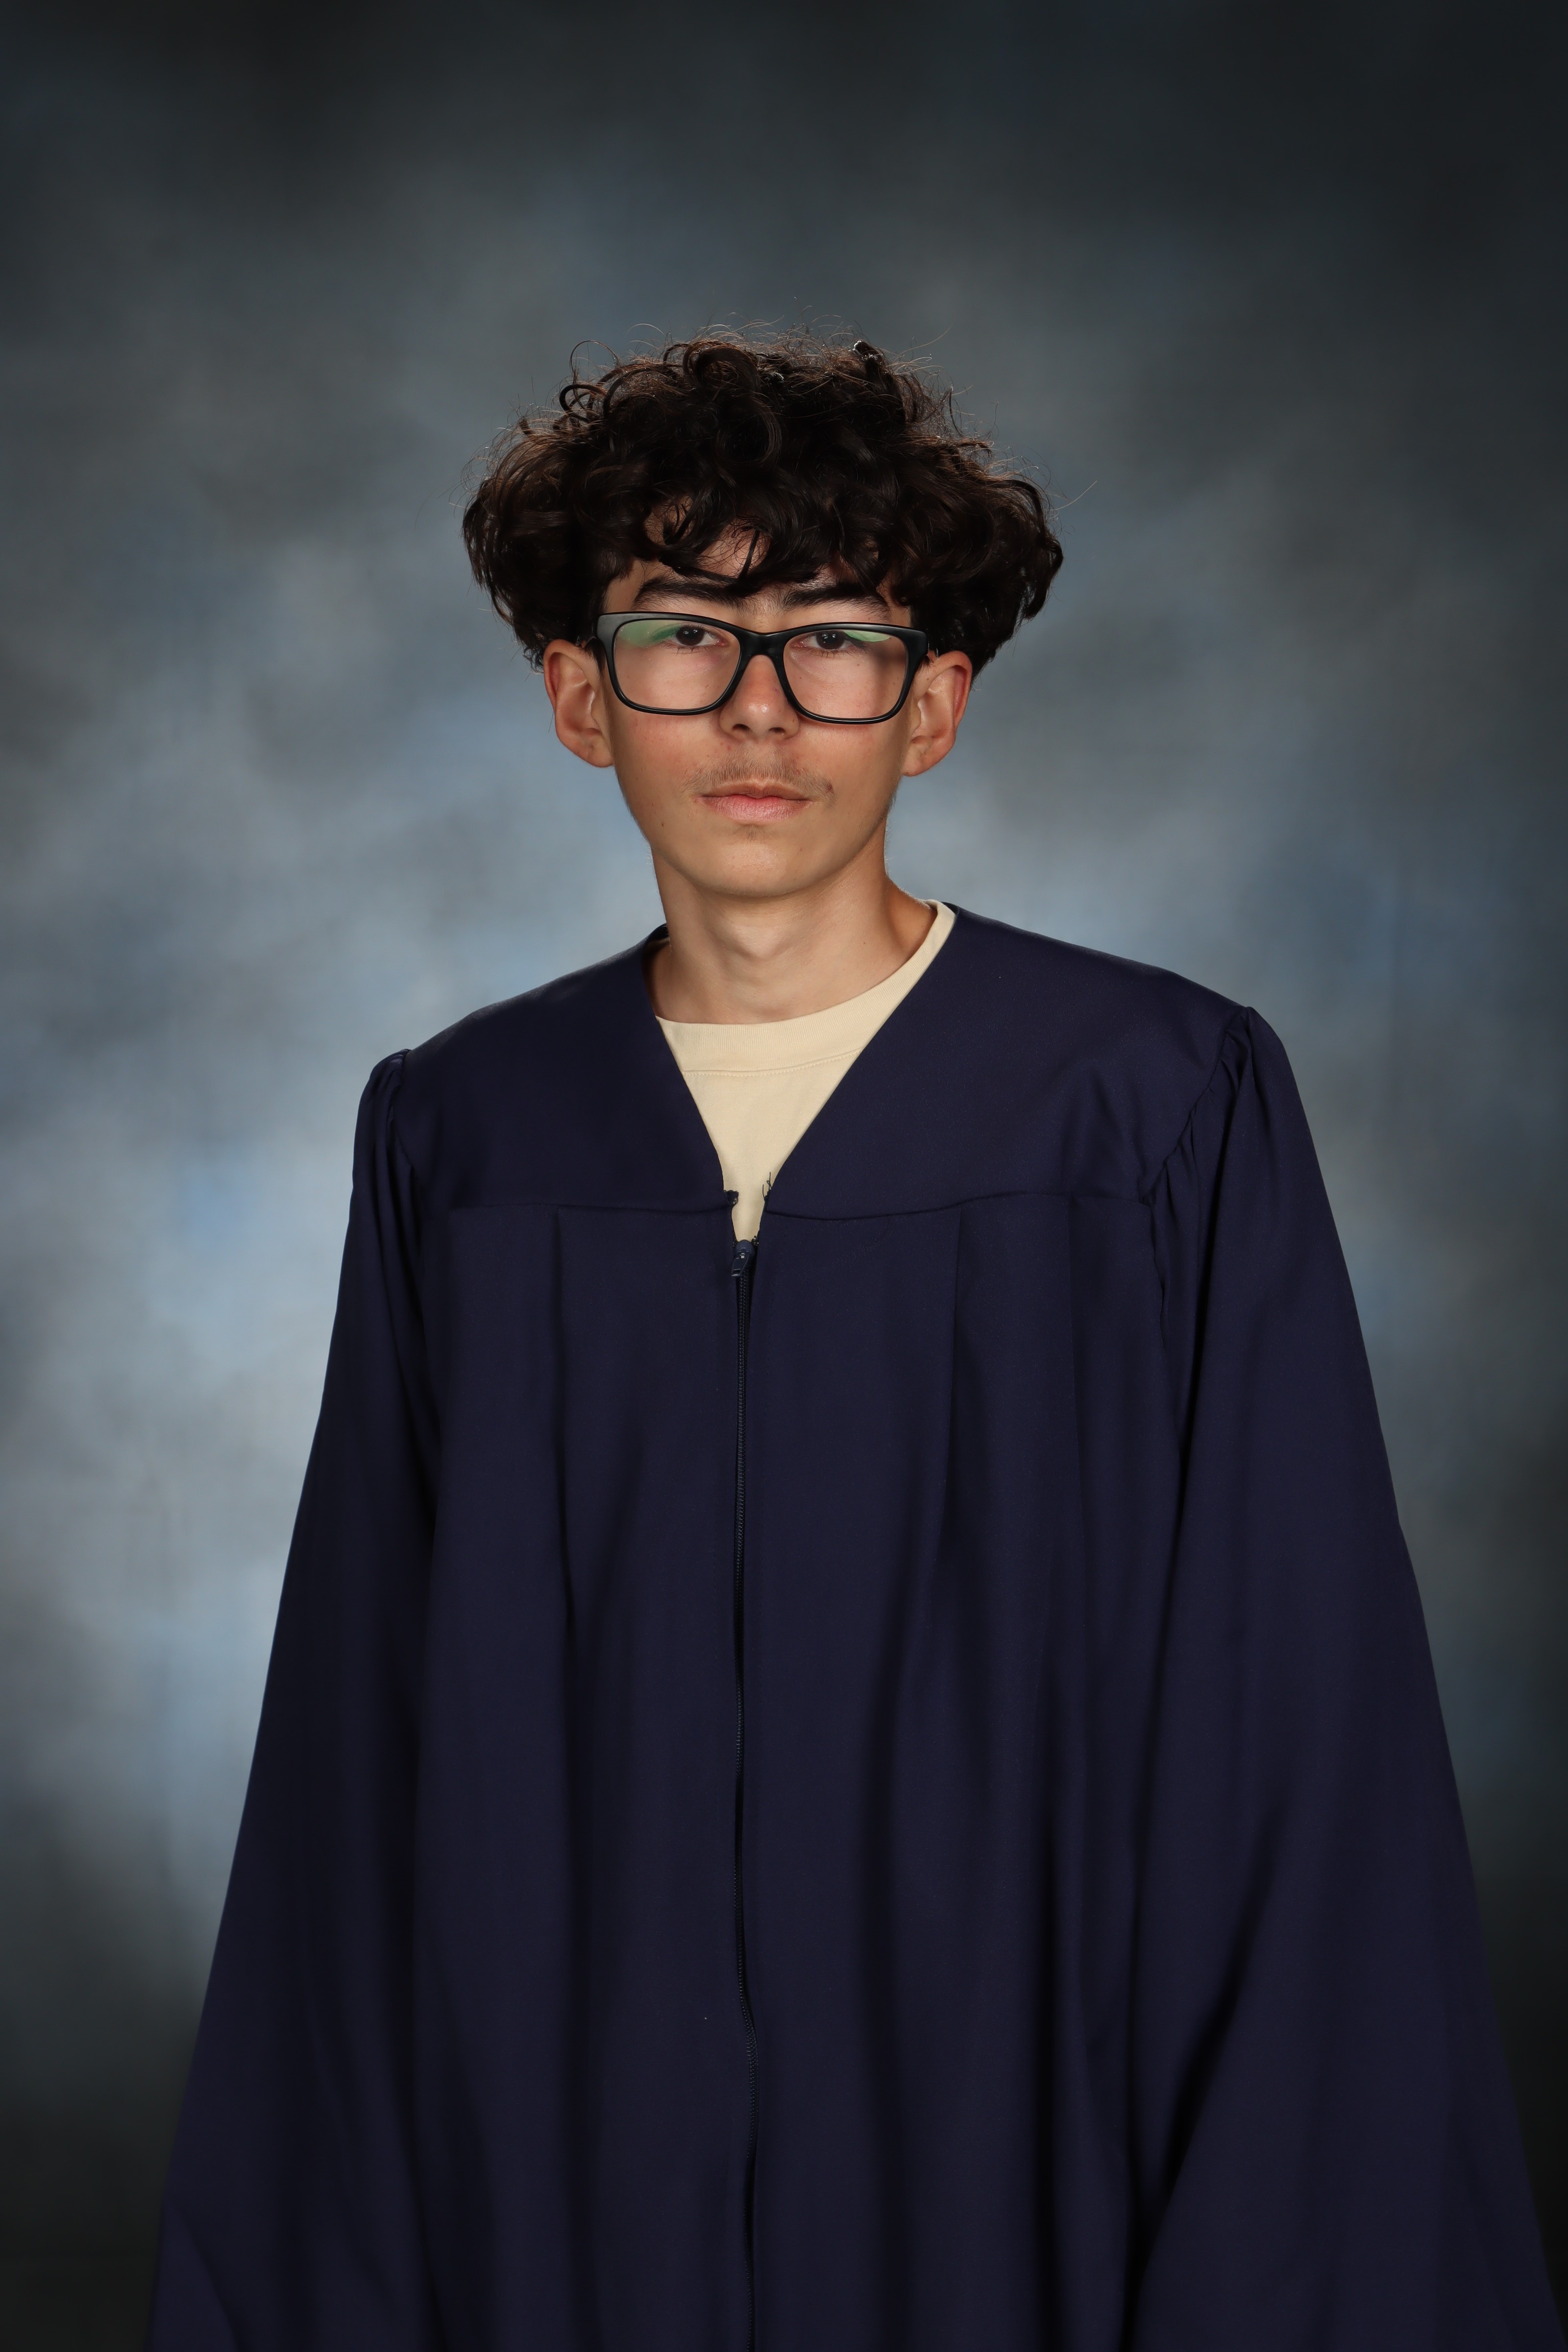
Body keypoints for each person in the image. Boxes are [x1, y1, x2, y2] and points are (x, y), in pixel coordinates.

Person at [145, 334, 1563, 2352]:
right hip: (565, 2146)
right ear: (578, 698)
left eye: (830, 640)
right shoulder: (466, 1135)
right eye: (683, 636)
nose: (758, 710)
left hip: (1033, 2118)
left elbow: (1299, 1727)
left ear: (932, 705)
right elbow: (355, 1754)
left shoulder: (1153, 1107)